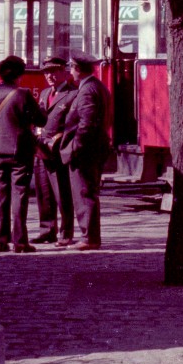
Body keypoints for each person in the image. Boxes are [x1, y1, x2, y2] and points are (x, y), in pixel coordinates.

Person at [0, 55, 45, 253]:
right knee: (19, 194)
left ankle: (0, 240)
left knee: (0, 194)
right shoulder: (23, 94)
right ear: (19, 74)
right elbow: (41, 120)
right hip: (19, 151)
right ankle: (20, 241)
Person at [59, 53, 112, 250]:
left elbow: (86, 124)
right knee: (88, 193)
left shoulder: (87, 90)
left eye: (71, 68)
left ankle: (88, 238)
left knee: (84, 193)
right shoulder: (98, 87)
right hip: (95, 148)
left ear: (78, 69)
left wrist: (75, 148)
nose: (70, 72)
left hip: (85, 152)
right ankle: (90, 236)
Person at [35, 56, 78, 246]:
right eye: (46, 72)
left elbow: (72, 123)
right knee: (43, 192)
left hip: (59, 150)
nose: (49, 76)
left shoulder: (72, 94)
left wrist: (57, 139)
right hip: (42, 149)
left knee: (62, 193)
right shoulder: (44, 93)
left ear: (64, 72)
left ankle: (66, 233)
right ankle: (47, 230)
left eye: (53, 71)